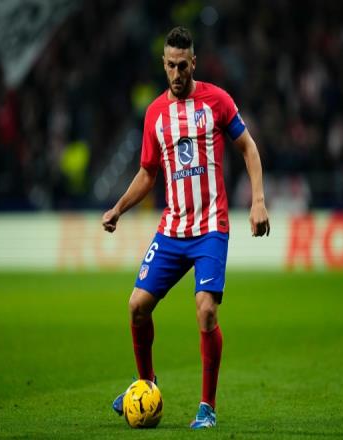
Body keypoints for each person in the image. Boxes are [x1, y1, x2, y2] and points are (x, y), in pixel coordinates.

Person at [102, 26, 270, 429]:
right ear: (163, 64)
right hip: (173, 228)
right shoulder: (155, 115)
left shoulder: (217, 101)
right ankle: (146, 385)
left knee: (206, 310)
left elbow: (248, 147)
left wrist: (258, 200)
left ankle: (207, 407)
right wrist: (119, 208)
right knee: (137, 306)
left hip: (211, 227)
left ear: (194, 63)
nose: (176, 73)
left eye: (183, 65)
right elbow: (148, 173)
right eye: (170, 66)